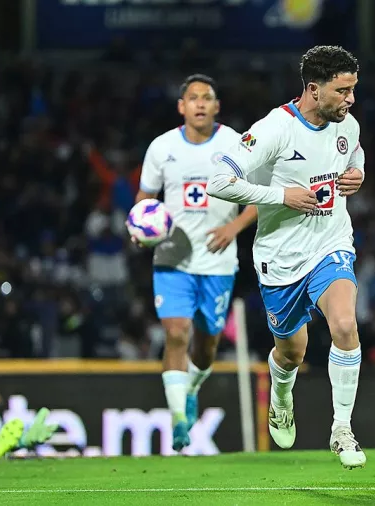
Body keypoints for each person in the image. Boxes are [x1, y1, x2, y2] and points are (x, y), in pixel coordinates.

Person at [207, 45, 367, 469]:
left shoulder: (346, 124)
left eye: (353, 89)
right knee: (292, 352)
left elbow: (354, 153)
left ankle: (342, 428)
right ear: (314, 89)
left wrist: (358, 172)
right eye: (343, 90)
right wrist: (282, 195)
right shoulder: (274, 129)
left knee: (346, 325)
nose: (351, 100)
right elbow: (218, 182)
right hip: (280, 257)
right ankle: (281, 395)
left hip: (331, 244)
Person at [134, 74, 258, 452]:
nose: (200, 104)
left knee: (205, 346)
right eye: (193, 98)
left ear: (217, 106)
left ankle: (192, 388)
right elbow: (145, 199)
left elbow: (259, 197)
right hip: (172, 258)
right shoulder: (162, 148)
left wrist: (233, 228)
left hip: (218, 262)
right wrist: (140, 226)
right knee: (176, 334)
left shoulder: (236, 144)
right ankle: (178, 421)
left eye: (208, 98)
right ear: (181, 106)